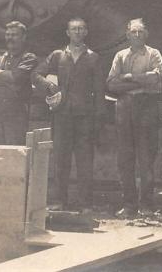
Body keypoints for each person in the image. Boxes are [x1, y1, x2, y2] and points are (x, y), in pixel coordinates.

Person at [32, 18, 105, 210]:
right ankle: (58, 201)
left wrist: (99, 120)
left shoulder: (93, 58)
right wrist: (48, 85)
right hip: (62, 115)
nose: (78, 32)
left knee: (85, 161)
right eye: (74, 29)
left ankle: (85, 204)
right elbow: (36, 74)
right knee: (61, 160)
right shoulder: (58, 56)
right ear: (68, 33)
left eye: (81, 29)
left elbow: (99, 92)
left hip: (85, 118)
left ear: (86, 32)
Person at [107, 18, 162, 217]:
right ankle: (129, 205)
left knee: (146, 158)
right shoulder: (120, 56)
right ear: (128, 34)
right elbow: (111, 84)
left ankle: (146, 205)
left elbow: (156, 80)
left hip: (146, 108)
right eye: (134, 32)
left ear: (146, 34)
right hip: (124, 108)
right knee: (125, 158)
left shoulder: (153, 54)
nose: (137, 35)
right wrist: (140, 82)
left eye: (141, 32)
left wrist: (128, 77)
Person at [0, 20, 38, 146]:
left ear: (23, 37)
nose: (10, 38)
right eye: (8, 34)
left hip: (16, 114)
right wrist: (7, 82)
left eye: (14, 35)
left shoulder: (28, 58)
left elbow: (15, 77)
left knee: (14, 152)